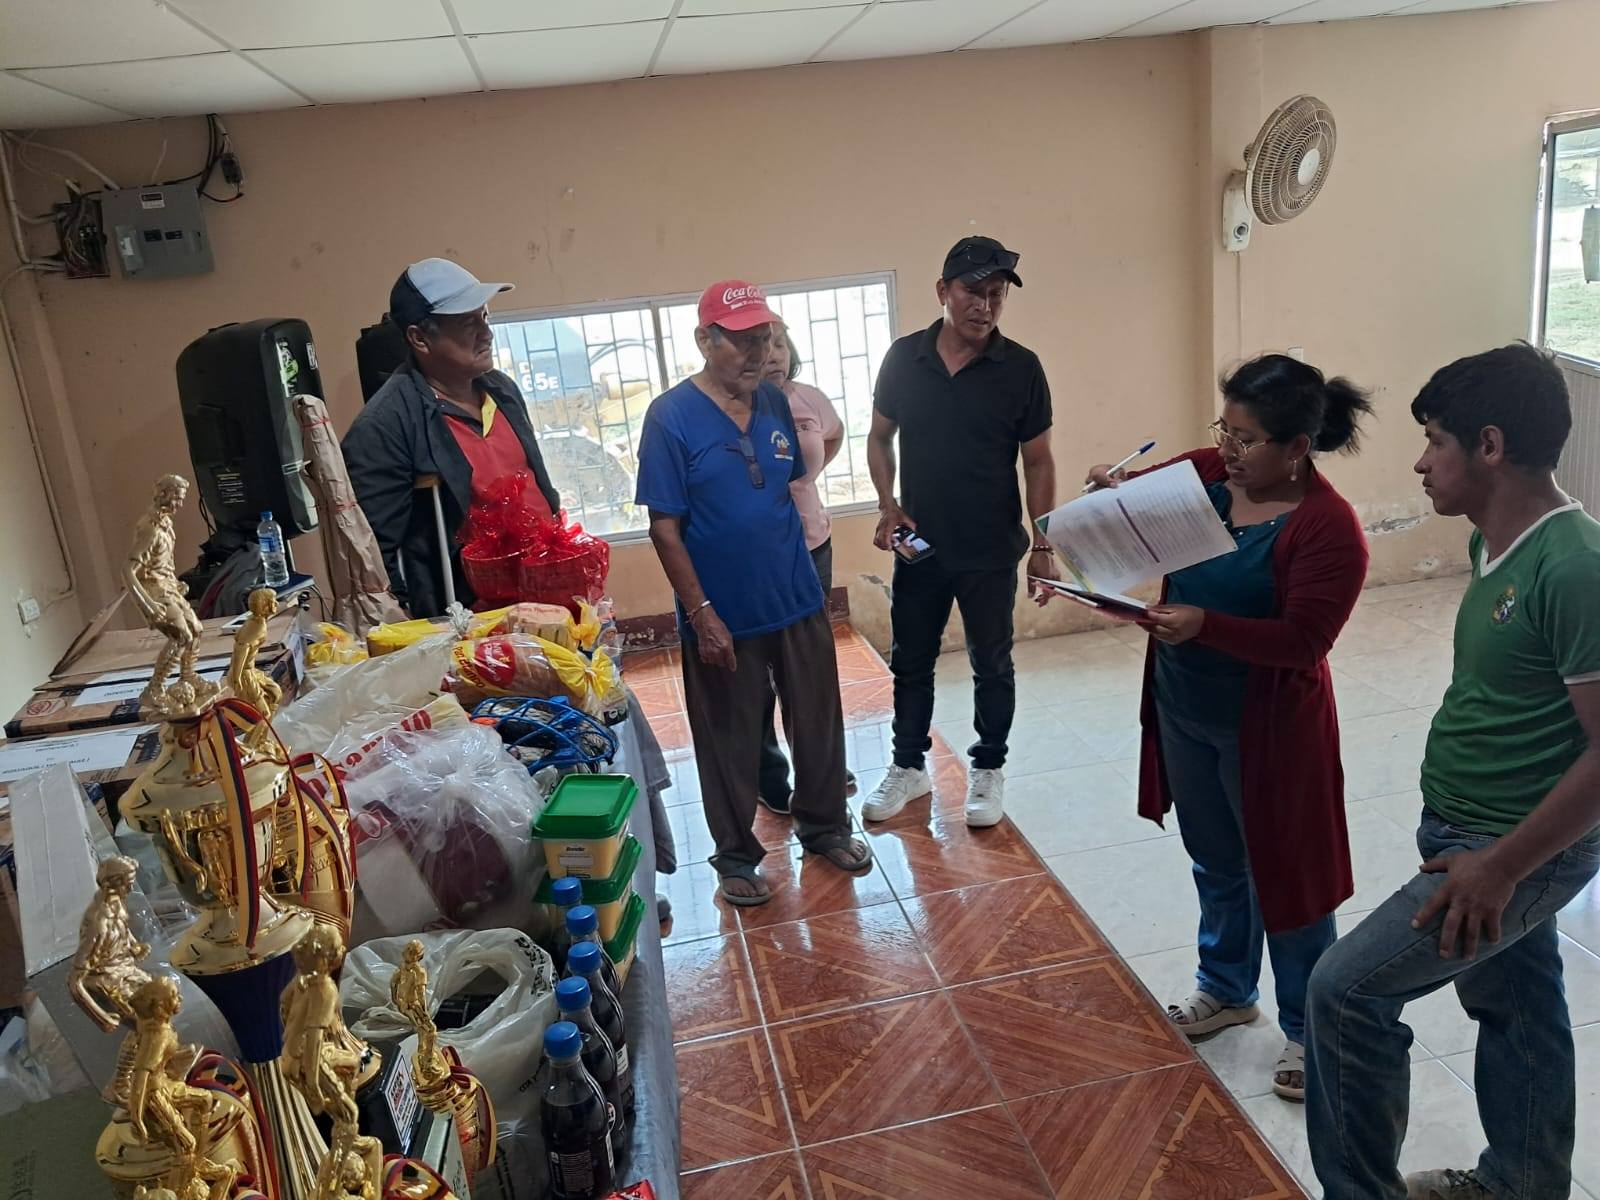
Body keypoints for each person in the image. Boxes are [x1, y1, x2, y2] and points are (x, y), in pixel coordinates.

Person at [1305, 344, 1600, 1200]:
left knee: (1345, 993)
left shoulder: (1574, 567)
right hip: (1470, 833)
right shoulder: (1493, 543)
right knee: (1517, 1007)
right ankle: (1522, 1184)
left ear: (1491, 446)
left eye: (1436, 441)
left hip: (1509, 850)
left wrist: (1500, 867)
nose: (1421, 461)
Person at [1086, 354, 1372, 1101]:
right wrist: (1111, 494)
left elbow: (1304, 643)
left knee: (1289, 874)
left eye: (1247, 439)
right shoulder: (1209, 474)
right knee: (1215, 857)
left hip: (1270, 728)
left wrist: (1205, 625)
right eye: (1225, 430)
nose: (1228, 451)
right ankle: (1226, 986)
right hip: (1185, 705)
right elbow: (1135, 507)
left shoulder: (1328, 528)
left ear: (1297, 447)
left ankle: (1310, 1027)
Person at [635, 280, 870, 906]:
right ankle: (737, 856)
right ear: (704, 340)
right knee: (729, 738)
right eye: (741, 340)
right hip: (722, 613)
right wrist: (700, 613)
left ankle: (826, 826)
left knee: (818, 719)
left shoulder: (773, 401)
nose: (757, 351)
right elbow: (664, 528)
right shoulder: (670, 417)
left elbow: (787, 480)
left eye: (764, 338)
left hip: (794, 595)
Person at [862, 236, 1059, 829]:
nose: (985, 305)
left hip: (992, 548)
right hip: (921, 547)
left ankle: (989, 767)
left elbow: (1039, 462)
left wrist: (1043, 543)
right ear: (943, 291)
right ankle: (908, 766)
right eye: (973, 291)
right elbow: (879, 437)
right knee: (911, 661)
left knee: (991, 663)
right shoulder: (904, 359)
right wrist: (888, 505)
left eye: (996, 294)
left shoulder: (1020, 368)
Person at [344, 258, 560, 618]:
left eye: (484, 317)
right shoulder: (385, 425)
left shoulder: (501, 390)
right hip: (472, 619)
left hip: (548, 598)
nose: (487, 334)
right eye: (467, 323)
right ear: (419, 338)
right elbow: (373, 556)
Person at [755, 326, 856, 813]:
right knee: (758, 669)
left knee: (809, 665)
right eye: (761, 344)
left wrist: (808, 479)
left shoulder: (808, 399)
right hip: (756, 555)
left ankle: (819, 767)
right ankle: (768, 773)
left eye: (779, 343)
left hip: (812, 545)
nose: (773, 354)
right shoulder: (731, 408)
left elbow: (833, 435)